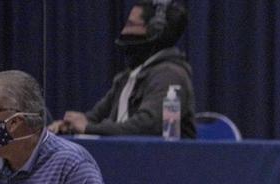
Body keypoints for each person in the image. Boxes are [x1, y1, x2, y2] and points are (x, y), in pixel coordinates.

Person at [49, 0, 195, 139]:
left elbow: (146, 127)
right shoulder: (128, 76)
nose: (125, 30)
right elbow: (95, 116)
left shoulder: (169, 75)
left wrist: (88, 128)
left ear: (154, 30)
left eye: (131, 24)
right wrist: (70, 125)